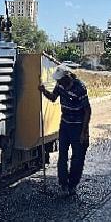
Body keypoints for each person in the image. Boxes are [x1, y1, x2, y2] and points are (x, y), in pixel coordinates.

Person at [39, 64, 92, 196]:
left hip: (78, 127)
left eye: (60, 80)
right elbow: (53, 98)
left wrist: (84, 132)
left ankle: (72, 184)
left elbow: (87, 110)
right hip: (65, 125)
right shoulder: (60, 85)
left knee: (77, 158)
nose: (58, 82)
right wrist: (43, 91)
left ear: (67, 77)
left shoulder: (80, 88)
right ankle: (63, 184)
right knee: (62, 156)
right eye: (57, 80)